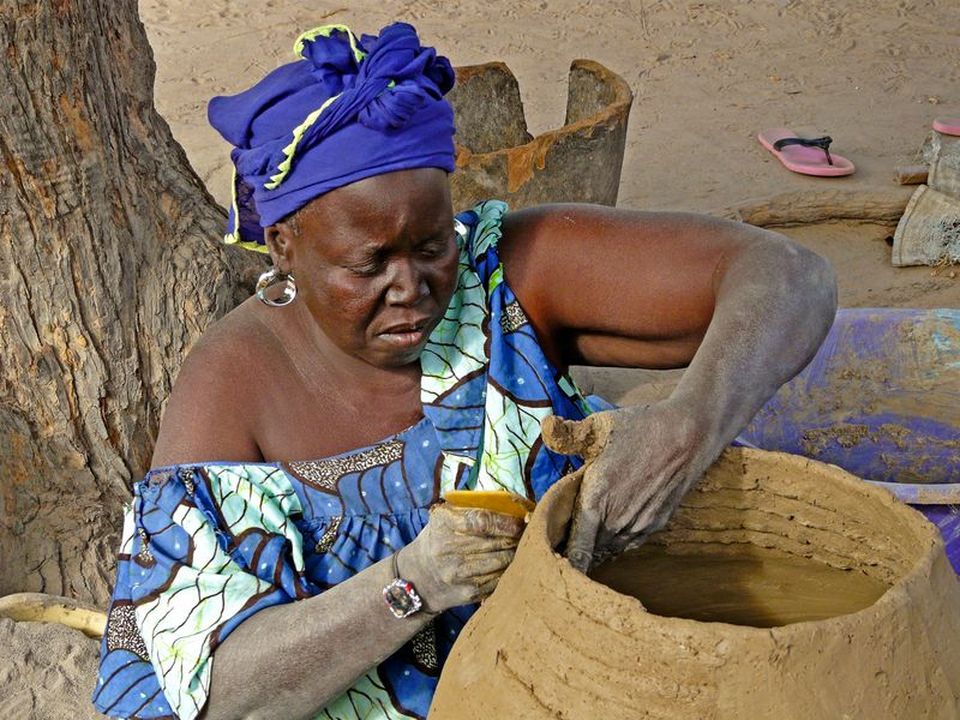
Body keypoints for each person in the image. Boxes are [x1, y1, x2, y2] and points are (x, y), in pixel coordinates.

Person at [92, 22, 836, 720]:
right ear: (285, 246)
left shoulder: (501, 280)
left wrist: (688, 424)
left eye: (430, 246)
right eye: (369, 265)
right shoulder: (232, 383)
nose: (412, 288)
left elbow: (791, 277)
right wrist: (414, 582)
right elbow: (208, 693)